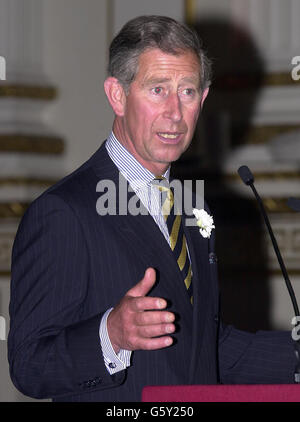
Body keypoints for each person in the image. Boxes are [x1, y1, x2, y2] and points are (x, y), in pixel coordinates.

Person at [8, 15, 297, 402]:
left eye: (188, 92)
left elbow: (203, 346)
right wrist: (110, 335)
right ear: (117, 95)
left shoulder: (192, 204)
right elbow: (29, 365)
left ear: (204, 99)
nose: (175, 113)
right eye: (158, 90)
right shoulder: (64, 213)